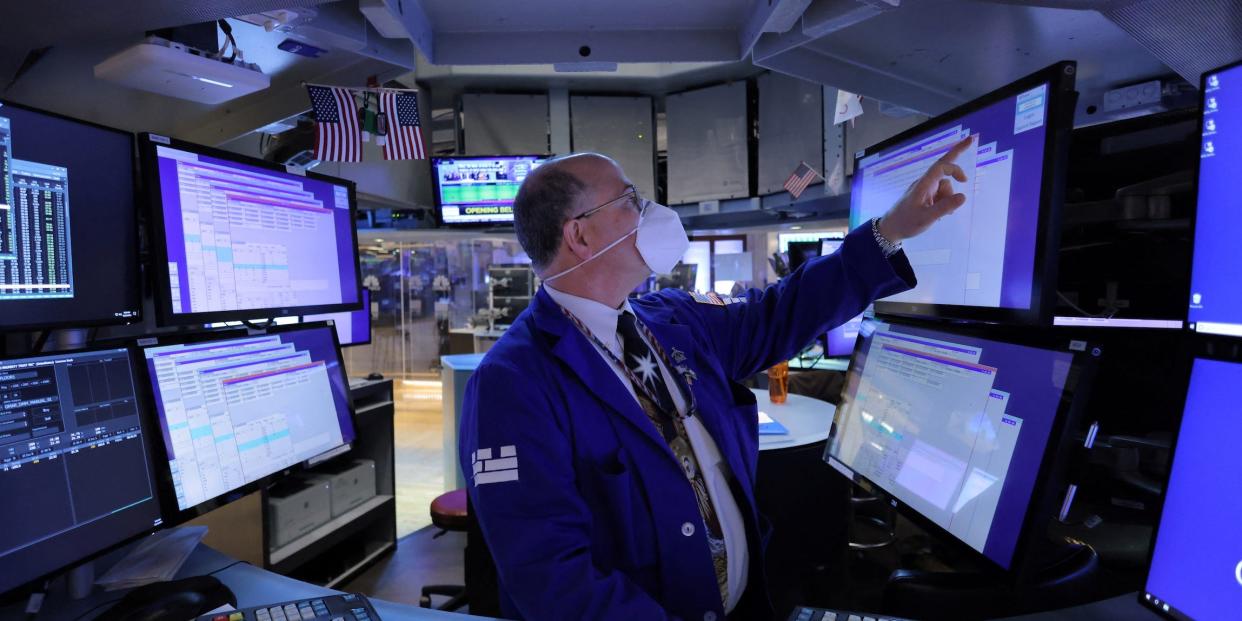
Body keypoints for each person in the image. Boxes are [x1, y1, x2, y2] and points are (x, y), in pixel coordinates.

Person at [459, 138, 975, 621]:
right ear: (579, 234)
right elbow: (553, 578)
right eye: (630, 199)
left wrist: (890, 231)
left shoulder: (674, 319)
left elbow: (782, 312)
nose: (650, 212)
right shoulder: (513, 382)